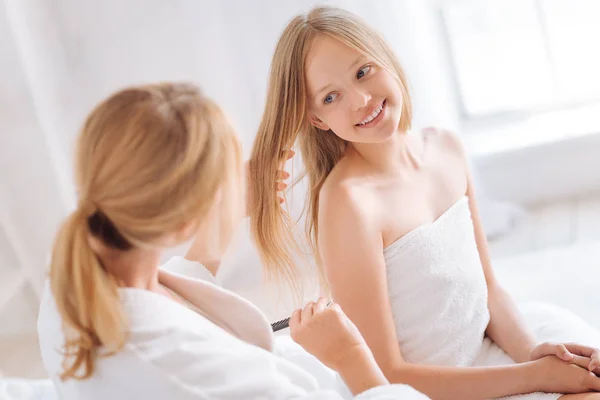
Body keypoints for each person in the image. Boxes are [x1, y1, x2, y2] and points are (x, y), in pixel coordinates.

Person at [248, 6, 600, 400]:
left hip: (485, 355)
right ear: (316, 119)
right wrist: (534, 377)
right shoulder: (349, 204)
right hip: (421, 388)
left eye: (363, 71)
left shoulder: (445, 148)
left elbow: (489, 288)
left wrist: (532, 354)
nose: (362, 100)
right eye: (332, 97)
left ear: (385, 57)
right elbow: (386, 373)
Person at [37, 82, 428, 399]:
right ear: (185, 218)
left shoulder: (75, 276)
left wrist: (212, 221)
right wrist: (351, 357)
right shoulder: (185, 372)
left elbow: (174, 306)